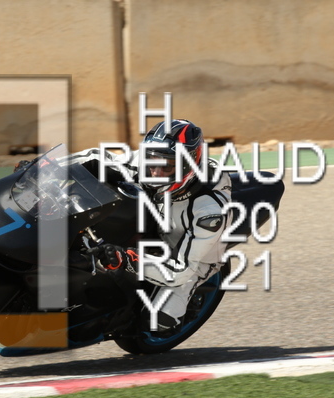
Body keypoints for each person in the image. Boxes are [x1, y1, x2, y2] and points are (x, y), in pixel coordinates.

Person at [64, 119, 233, 332]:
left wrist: (125, 258)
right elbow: (95, 157)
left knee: (158, 321)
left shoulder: (208, 213)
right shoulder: (153, 161)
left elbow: (180, 270)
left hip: (189, 258)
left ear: (189, 165)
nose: (155, 172)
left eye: (167, 166)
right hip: (158, 215)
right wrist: (46, 166)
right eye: (152, 161)